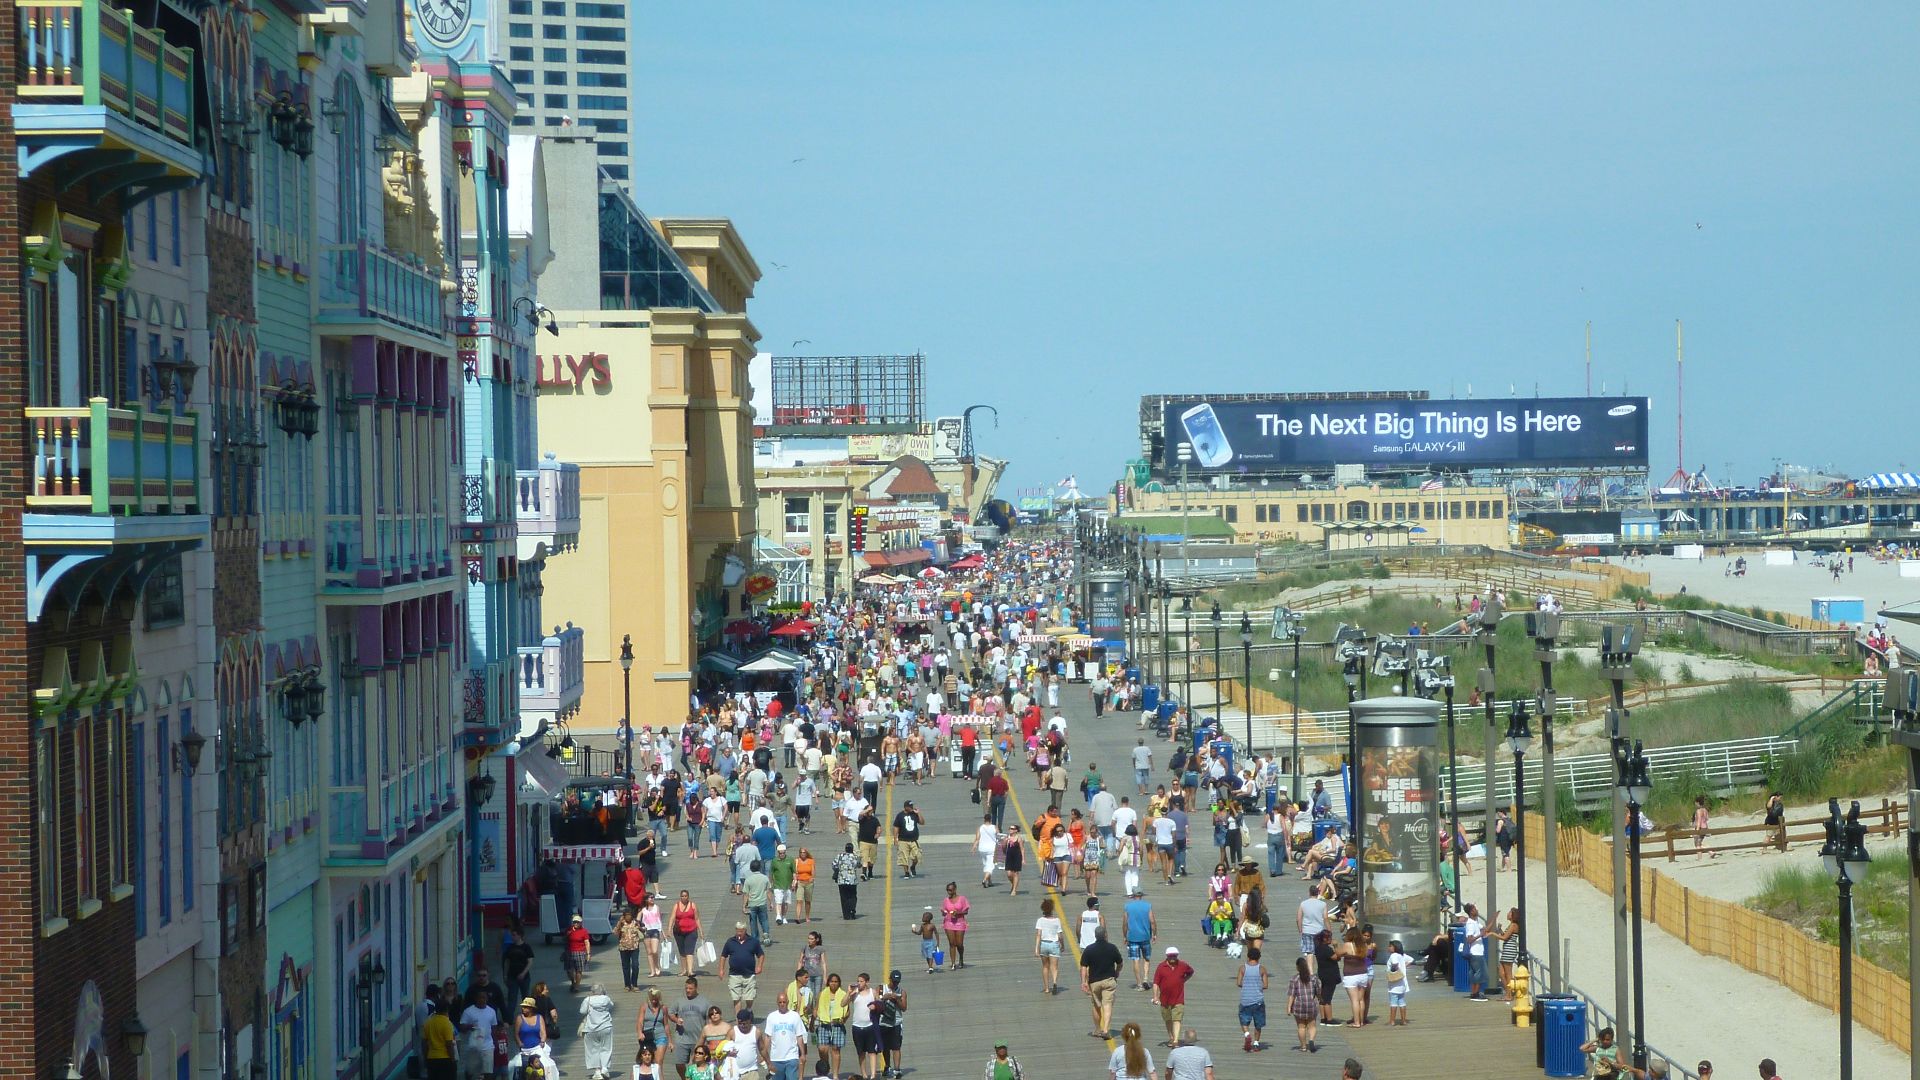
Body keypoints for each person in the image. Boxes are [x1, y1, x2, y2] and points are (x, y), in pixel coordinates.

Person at [1080, 926, 1125, 1040]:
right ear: (1105, 935)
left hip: (1094, 982)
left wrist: (1083, 982)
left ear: (1095, 936)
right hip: (1109, 980)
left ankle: (1097, 1029)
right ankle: (1106, 1030)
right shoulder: (1112, 948)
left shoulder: (1089, 949)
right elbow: (1120, 963)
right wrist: (1117, 972)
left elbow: (1084, 967)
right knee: (1107, 1004)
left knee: (1096, 1005)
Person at [1150, 946, 1193, 1050]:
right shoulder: (1161, 967)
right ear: (1167, 956)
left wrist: (1184, 980)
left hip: (1178, 999)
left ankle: (1175, 1040)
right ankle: (1171, 1037)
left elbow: (1190, 972)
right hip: (1164, 1000)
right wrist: (1155, 996)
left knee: (1177, 1019)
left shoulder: (1183, 965)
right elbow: (1156, 983)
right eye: (1171, 956)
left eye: (1175, 955)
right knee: (1168, 1019)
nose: (1173, 957)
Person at [669, 978, 712, 1080]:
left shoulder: (704, 1001)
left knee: (697, 1063)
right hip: (682, 1038)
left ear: (696, 988)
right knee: (679, 1063)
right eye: (686, 988)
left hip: (698, 1039)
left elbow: (710, 1018)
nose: (688, 990)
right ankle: (684, 1078)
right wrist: (676, 1019)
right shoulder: (679, 1001)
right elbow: (670, 1013)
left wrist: (708, 1036)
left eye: (690, 988)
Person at [763, 991, 809, 1080]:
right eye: (780, 1002)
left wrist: (802, 1054)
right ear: (777, 1003)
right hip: (776, 1058)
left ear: (788, 1002)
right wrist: (763, 1054)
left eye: (784, 1002)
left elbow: (799, 1036)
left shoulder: (795, 1016)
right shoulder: (771, 1017)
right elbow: (768, 1037)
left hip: (791, 1056)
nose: (782, 1004)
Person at [812, 973, 850, 1080]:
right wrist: (812, 1021)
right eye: (831, 981)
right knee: (822, 1049)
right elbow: (816, 1008)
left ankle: (835, 1075)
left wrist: (844, 1019)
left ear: (839, 983)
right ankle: (825, 1068)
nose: (833, 983)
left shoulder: (843, 994)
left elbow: (847, 1012)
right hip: (824, 1024)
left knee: (835, 1050)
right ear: (828, 982)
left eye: (836, 981)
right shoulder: (822, 994)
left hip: (837, 1025)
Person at [459, 988, 503, 1080]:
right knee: (471, 1072)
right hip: (473, 1046)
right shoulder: (468, 1011)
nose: (482, 999)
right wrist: (469, 1026)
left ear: (487, 998)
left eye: (484, 997)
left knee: (488, 1072)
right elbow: (462, 1027)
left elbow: (494, 1028)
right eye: (480, 997)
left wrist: (495, 1043)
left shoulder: (491, 1011)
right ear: (476, 998)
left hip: (488, 1046)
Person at [1234, 945, 1269, 1052]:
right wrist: (1257, 986)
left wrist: (1247, 985)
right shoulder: (1262, 969)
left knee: (1244, 1020)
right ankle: (1256, 1043)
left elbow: (1239, 983)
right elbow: (1265, 985)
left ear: (1248, 956)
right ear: (1259, 957)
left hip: (1245, 1000)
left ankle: (1247, 1034)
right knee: (1258, 1023)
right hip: (1258, 1000)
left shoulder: (1242, 968)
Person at [579, 984, 616, 1080]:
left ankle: (597, 1071)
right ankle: (604, 1068)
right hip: (605, 1026)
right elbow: (611, 1006)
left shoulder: (588, 999)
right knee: (606, 1048)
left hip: (591, 1028)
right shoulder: (606, 998)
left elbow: (582, 1011)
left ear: (592, 991)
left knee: (592, 1050)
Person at [874, 971, 908, 1079]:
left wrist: (896, 999)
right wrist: (885, 997)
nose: (895, 984)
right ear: (890, 979)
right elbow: (875, 1002)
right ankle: (887, 1066)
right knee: (885, 1047)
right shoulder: (880, 988)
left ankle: (897, 1069)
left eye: (897, 982)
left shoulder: (902, 992)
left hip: (896, 1023)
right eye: (894, 981)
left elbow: (904, 1008)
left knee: (896, 1047)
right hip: (883, 1022)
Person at [1122, 889, 1156, 990]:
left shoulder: (1128, 906)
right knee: (1146, 958)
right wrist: (1154, 934)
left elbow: (1125, 923)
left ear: (1133, 896)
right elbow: (1152, 921)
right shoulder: (1148, 906)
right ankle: (1145, 978)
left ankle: (1139, 984)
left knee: (1135, 960)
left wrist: (1124, 936)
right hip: (1145, 936)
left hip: (1132, 937)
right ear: (1142, 896)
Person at [1285, 955, 1319, 1053]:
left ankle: (1303, 1046)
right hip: (1311, 1004)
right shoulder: (1313, 978)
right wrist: (1320, 998)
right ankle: (1311, 1040)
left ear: (1297, 967)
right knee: (1312, 1026)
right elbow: (1318, 990)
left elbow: (1291, 995)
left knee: (1301, 1027)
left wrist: (1288, 1007)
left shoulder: (1294, 979)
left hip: (1299, 1005)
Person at [1033, 897, 1064, 995]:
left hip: (1044, 944)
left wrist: (1036, 949)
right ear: (1052, 909)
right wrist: (1062, 945)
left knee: (1045, 966)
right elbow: (1060, 936)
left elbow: (1038, 935)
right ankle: (1054, 982)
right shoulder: (1057, 920)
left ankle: (1046, 988)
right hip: (1054, 944)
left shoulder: (1040, 920)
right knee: (1054, 967)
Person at [421, 999, 457, 1080]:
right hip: (445, 1059)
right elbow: (449, 1044)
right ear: (447, 1009)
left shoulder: (428, 1023)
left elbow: (424, 1043)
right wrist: (453, 1059)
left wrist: (425, 1057)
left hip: (431, 1058)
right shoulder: (447, 1023)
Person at [941, 881, 972, 969]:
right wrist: (944, 913)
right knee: (951, 943)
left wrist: (958, 913)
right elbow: (943, 911)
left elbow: (966, 911)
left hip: (959, 922)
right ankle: (953, 963)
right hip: (948, 922)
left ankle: (961, 958)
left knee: (959, 944)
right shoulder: (946, 900)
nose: (949, 892)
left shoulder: (962, 899)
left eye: (950, 890)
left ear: (955, 890)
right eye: (947, 890)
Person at [671, 891, 702, 979]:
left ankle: (690, 971)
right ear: (680, 897)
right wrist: (668, 929)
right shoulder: (676, 906)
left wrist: (701, 931)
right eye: (682, 896)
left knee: (689, 951)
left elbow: (697, 918)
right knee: (682, 951)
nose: (684, 897)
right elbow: (672, 917)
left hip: (691, 930)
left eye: (685, 896)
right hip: (679, 931)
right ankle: (684, 970)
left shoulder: (693, 905)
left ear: (688, 897)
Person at [1383, 940, 1412, 1026]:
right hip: (1402, 983)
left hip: (1394, 983)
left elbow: (1395, 964)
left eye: (1390, 946)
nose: (1389, 947)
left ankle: (1392, 1021)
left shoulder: (1393, 955)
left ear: (1395, 947)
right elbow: (1411, 959)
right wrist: (1403, 967)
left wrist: (1392, 970)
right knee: (1402, 1001)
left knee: (1393, 1002)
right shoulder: (1401, 955)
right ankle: (1403, 1020)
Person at [617, 909, 645, 991]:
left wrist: (640, 928)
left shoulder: (636, 922)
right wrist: (619, 923)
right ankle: (627, 984)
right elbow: (615, 932)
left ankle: (634, 984)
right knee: (626, 967)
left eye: (629, 914)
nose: (628, 916)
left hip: (634, 947)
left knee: (635, 965)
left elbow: (644, 930)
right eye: (626, 915)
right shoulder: (621, 923)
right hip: (623, 947)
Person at [832, 843, 862, 920]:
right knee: (852, 896)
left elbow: (834, 865)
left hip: (842, 880)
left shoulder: (840, 856)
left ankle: (846, 914)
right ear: (852, 849)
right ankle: (852, 910)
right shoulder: (855, 856)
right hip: (852, 881)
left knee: (844, 897)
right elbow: (859, 865)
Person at [566, 913, 594, 993]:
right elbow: (564, 940)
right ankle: (573, 982)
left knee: (579, 970)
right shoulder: (569, 930)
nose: (576, 924)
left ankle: (577, 986)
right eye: (574, 922)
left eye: (577, 922)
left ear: (580, 923)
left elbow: (587, 942)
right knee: (569, 970)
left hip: (580, 952)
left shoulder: (584, 931)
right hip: (570, 952)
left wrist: (588, 954)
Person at [975, 815, 1002, 889]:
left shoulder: (980, 827)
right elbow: (999, 836)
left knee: (985, 865)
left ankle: (989, 882)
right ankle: (984, 880)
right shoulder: (994, 827)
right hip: (992, 849)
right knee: (990, 866)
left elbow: (977, 838)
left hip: (982, 849)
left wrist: (974, 846)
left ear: (984, 819)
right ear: (991, 819)